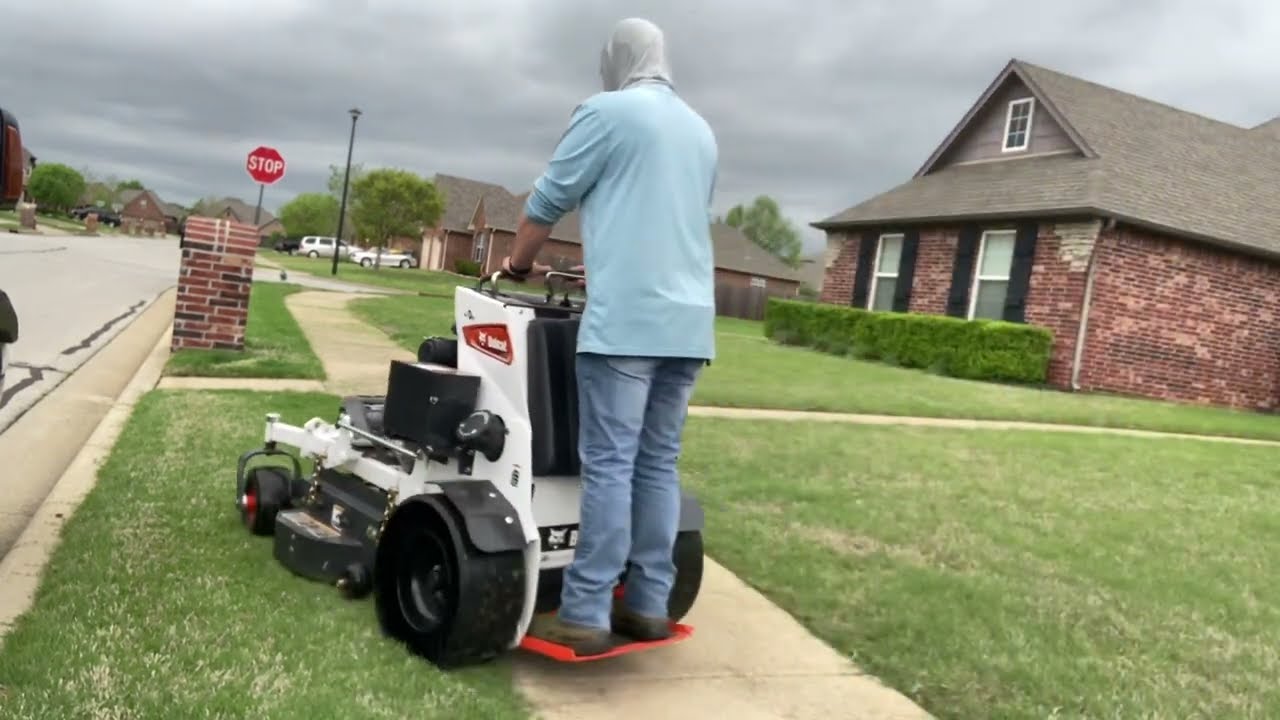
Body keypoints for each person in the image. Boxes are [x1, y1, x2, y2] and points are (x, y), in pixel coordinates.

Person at [498, 17, 718, 656]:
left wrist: (517, 264)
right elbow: (665, 219)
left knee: (611, 465)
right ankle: (648, 605)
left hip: (627, 324)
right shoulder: (701, 131)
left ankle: (586, 612)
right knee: (658, 463)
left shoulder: (606, 112)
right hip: (689, 324)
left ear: (617, 59)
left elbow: (546, 203)